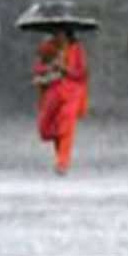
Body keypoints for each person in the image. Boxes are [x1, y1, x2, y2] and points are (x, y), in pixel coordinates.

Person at [32, 27, 89, 176]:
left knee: (66, 125)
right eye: (57, 33)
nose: (59, 35)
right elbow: (38, 67)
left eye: (62, 33)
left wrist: (65, 69)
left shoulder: (76, 49)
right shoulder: (47, 46)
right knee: (45, 129)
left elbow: (81, 72)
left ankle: (62, 162)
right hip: (53, 90)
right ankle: (60, 149)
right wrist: (48, 68)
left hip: (72, 92)